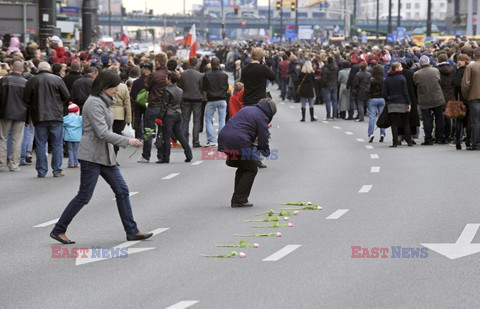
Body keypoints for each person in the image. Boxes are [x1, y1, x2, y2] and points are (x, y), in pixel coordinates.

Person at [50, 70, 151, 244]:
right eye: (114, 87)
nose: (117, 90)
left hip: (105, 155)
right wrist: (127, 141)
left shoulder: (103, 102)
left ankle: (132, 231)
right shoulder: (94, 103)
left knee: (122, 191)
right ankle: (59, 229)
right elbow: (103, 132)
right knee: (84, 196)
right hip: (92, 155)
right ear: (104, 86)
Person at [218, 98, 277, 208]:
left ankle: (237, 198)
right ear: (271, 112)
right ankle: (239, 199)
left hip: (225, 137)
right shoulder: (262, 117)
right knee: (251, 168)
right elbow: (263, 139)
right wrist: (265, 152)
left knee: (243, 167)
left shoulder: (247, 109)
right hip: (238, 142)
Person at [23, 61, 70, 177]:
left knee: (40, 144)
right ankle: (57, 170)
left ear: (39, 69)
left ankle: (42, 170)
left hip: (39, 116)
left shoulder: (32, 80)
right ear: (49, 69)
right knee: (57, 144)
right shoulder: (57, 79)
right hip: (56, 115)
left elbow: (25, 98)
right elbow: (67, 96)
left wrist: (33, 105)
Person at [158, 71, 193, 163]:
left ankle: (166, 158)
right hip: (178, 113)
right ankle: (189, 154)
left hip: (169, 115)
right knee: (180, 135)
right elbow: (181, 104)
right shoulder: (180, 90)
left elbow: (164, 105)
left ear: (169, 80)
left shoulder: (167, 90)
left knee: (166, 137)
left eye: (166, 78)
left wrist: (159, 117)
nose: (165, 79)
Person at [0, 61, 27, 172]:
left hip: (5, 112)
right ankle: (14, 164)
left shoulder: (4, 80)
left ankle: (2, 164)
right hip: (21, 113)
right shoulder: (26, 82)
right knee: (17, 139)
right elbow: (28, 101)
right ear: (22, 69)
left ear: (11, 67)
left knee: (2, 139)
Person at [414, 55, 446, 145]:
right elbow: (440, 82)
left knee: (427, 119)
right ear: (429, 62)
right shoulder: (436, 71)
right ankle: (440, 137)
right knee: (439, 118)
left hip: (424, 99)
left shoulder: (417, 74)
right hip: (437, 98)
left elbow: (416, 85)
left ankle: (428, 139)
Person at [384, 63, 412, 147]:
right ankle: (409, 141)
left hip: (392, 103)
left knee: (394, 124)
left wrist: (388, 100)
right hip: (402, 102)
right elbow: (405, 92)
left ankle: (395, 142)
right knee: (406, 122)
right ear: (396, 68)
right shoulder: (402, 78)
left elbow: (384, 93)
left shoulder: (387, 79)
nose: (402, 68)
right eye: (400, 67)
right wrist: (409, 102)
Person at [203, 57, 229, 147]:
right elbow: (226, 87)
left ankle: (211, 140)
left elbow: (204, 88)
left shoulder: (207, 75)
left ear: (211, 64)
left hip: (211, 99)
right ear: (219, 64)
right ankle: (222, 140)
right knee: (222, 120)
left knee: (208, 120)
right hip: (222, 99)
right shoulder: (224, 75)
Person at [179, 57, 203, 148]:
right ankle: (195, 141)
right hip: (197, 99)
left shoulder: (183, 74)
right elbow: (202, 87)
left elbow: (181, 86)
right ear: (196, 64)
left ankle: (184, 141)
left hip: (185, 98)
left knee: (185, 120)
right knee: (196, 121)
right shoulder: (199, 75)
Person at [109, 66, 132, 157]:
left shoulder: (106, 86)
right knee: (117, 136)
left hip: (108, 112)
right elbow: (127, 103)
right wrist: (129, 118)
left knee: (108, 135)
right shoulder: (123, 87)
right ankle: (115, 155)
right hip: (120, 114)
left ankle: (109, 155)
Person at [462, 48, 480, 150]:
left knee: (476, 121)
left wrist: (466, 96)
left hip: (474, 96)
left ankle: (476, 143)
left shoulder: (470, 66)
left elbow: (465, 84)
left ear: (474, 55)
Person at [454, 54, 470, 150]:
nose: (459, 61)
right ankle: (468, 141)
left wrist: (457, 94)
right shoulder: (469, 69)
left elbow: (456, 84)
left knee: (459, 121)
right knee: (468, 120)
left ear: (465, 61)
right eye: (458, 60)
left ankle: (458, 142)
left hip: (460, 98)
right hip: (469, 98)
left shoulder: (460, 71)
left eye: (461, 60)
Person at [367, 65, 386, 143]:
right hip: (382, 99)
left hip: (373, 98)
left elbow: (368, 89)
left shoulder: (371, 80)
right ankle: (382, 133)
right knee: (382, 117)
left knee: (372, 117)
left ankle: (371, 134)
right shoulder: (384, 80)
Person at [63, 102, 82, 168]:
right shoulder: (79, 118)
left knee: (70, 150)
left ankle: (71, 163)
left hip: (68, 137)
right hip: (77, 137)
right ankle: (76, 162)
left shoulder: (65, 118)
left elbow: (62, 127)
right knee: (76, 150)